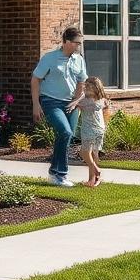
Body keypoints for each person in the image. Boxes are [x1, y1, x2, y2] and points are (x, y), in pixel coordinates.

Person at [31, 27, 87, 187]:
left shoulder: (79, 59)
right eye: (77, 43)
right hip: (51, 101)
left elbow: (81, 81)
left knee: (66, 137)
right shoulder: (50, 58)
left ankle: (54, 173)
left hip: (71, 104)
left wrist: (76, 102)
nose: (79, 46)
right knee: (65, 131)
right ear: (67, 42)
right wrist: (36, 105)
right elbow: (35, 80)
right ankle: (61, 175)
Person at [67, 76, 111, 187]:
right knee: (94, 153)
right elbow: (105, 107)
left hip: (89, 129)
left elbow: (74, 105)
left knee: (84, 153)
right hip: (100, 129)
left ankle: (97, 170)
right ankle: (93, 180)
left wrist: (76, 103)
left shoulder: (88, 100)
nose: (84, 88)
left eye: (86, 86)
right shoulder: (101, 99)